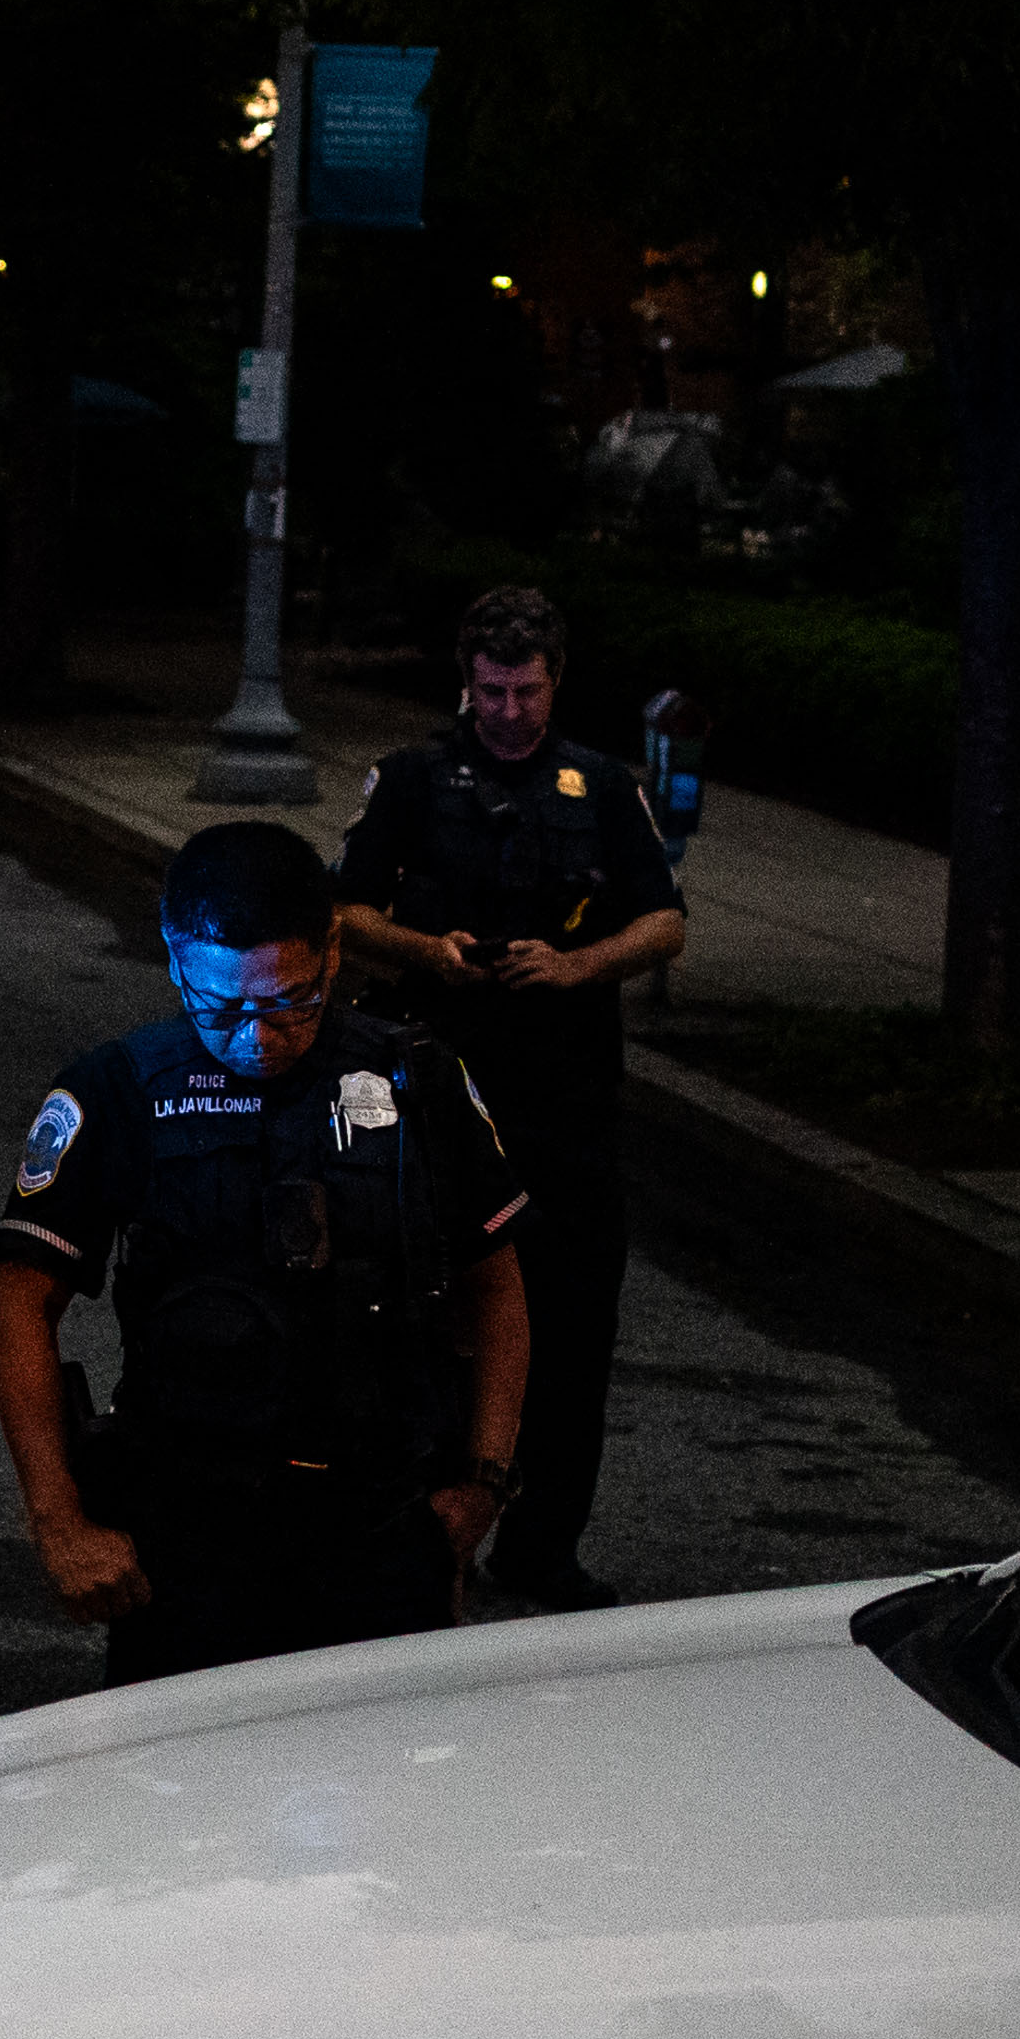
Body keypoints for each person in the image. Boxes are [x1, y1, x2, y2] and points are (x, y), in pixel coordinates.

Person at [0, 822, 532, 1687]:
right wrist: (59, 1522)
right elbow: (22, 1304)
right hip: (189, 1529)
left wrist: (485, 1486)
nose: (255, 1037)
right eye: (221, 1006)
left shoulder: (413, 1077)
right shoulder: (117, 1088)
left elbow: (494, 1287)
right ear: (172, 956)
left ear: (335, 949)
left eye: (289, 1002)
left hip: (383, 1521)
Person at [332, 583, 686, 1607]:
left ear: (556, 682)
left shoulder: (602, 787)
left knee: (573, 1336)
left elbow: (663, 923)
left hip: (565, 1104)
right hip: (442, 1092)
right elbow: (346, 911)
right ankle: (428, 1525)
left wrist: (577, 967)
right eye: (490, 691)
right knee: (428, 1324)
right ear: (465, 681)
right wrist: (427, 951)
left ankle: (545, 1547)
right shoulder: (411, 779)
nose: (508, 712)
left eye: (526, 691)